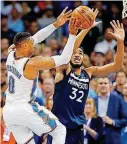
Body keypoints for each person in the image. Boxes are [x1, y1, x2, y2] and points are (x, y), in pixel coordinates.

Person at [3, 7, 80, 144]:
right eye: (32, 44)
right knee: (59, 131)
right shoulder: (32, 63)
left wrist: (56, 24)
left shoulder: (10, 53)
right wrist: (72, 35)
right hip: (24, 108)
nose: (35, 46)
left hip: (8, 112)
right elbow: (63, 59)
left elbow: (36, 37)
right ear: (25, 46)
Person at [47, 11, 125, 144]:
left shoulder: (88, 73)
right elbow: (71, 48)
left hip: (77, 129)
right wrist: (87, 27)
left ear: (84, 58)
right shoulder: (63, 70)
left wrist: (120, 43)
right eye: (74, 53)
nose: (77, 55)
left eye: (80, 53)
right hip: (59, 127)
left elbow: (116, 66)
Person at [95, 77, 127, 144]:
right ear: (97, 85)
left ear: (110, 85)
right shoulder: (93, 100)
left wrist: (112, 122)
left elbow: (125, 120)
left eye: (105, 83)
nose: (103, 85)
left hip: (113, 138)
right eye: (100, 83)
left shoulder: (118, 99)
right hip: (95, 138)